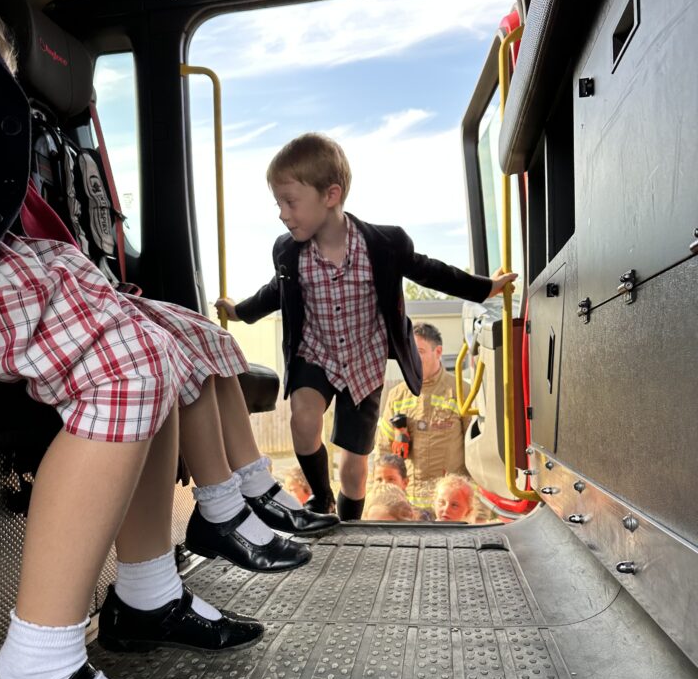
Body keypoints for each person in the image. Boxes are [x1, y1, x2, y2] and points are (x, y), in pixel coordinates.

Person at [0, 0, 328, 679]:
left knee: (176, 352)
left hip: (3, 260)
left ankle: (146, 593)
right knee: (130, 361)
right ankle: (31, 674)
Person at [216, 134, 516, 521]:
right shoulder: (289, 251)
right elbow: (275, 292)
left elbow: (428, 270)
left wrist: (483, 288)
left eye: (290, 202)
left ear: (330, 195)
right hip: (317, 352)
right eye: (279, 203)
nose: (282, 213)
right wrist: (240, 312)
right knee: (303, 418)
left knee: (354, 463)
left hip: (364, 357)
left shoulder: (384, 244)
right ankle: (321, 499)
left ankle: (350, 521)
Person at [376, 322, 472, 514]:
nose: (413, 357)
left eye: (419, 351)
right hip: (408, 507)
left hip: (448, 509)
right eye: (410, 350)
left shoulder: (461, 391)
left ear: (438, 352)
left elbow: (475, 450)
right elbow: (384, 451)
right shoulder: (397, 395)